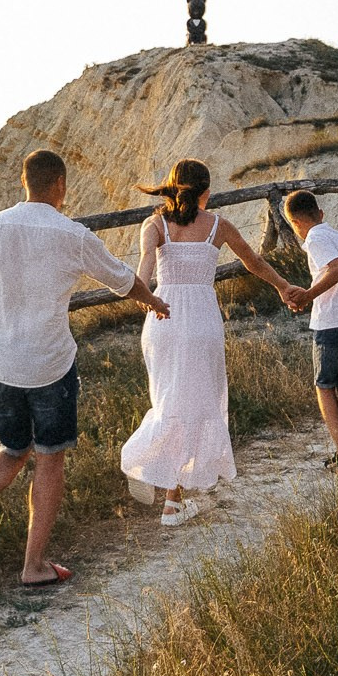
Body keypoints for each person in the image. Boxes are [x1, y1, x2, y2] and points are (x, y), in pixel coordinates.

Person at [0, 147, 168, 584]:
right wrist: (154, 301)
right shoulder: (72, 234)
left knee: (12, 449)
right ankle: (34, 567)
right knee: (49, 460)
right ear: (62, 186)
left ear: (23, 183)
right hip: (49, 366)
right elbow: (122, 280)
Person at [121, 158, 306, 525]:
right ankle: (162, 485)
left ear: (172, 187)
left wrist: (146, 296)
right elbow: (253, 261)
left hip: (163, 317)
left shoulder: (154, 224)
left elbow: (143, 267)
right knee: (197, 402)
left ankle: (163, 485)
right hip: (201, 319)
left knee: (168, 399)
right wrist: (285, 286)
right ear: (206, 191)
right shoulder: (218, 225)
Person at [282, 190, 338, 470]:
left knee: (324, 387)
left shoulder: (315, 238)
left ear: (294, 222)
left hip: (332, 323)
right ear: (320, 213)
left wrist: (309, 296)